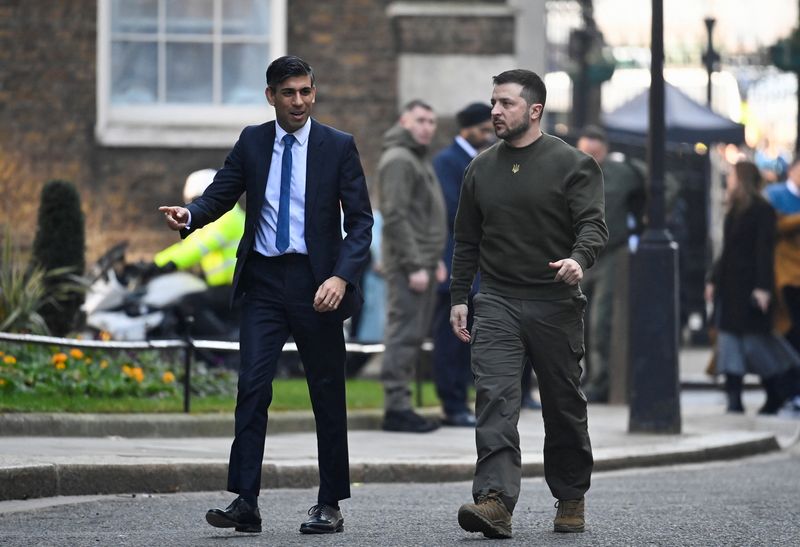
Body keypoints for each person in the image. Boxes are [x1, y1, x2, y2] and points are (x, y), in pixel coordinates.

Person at [158, 55, 373, 535]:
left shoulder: (337, 146)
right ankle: (245, 501)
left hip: (319, 285)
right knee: (252, 387)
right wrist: (190, 217)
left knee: (326, 394)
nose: (299, 101)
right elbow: (221, 193)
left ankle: (330, 504)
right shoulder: (253, 141)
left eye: (306, 91)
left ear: (314, 93)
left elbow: (360, 223)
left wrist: (340, 278)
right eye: (289, 92)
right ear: (270, 96)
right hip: (263, 284)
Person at [450, 69, 607, 538]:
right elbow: (466, 240)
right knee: (495, 397)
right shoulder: (479, 167)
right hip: (496, 299)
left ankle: (571, 495)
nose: (495, 111)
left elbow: (593, 226)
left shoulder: (573, 165)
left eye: (506, 104)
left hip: (555, 301)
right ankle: (495, 501)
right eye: (493, 102)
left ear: (534, 110)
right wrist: (461, 296)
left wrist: (579, 260)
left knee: (562, 406)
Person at [376, 99, 448, 433]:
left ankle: (403, 405)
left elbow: (422, 216)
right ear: (404, 121)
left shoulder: (417, 158)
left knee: (414, 335)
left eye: (431, 121)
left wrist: (433, 262)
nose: (426, 127)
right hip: (408, 266)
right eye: (420, 120)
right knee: (403, 334)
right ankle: (396, 408)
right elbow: (395, 216)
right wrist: (416, 264)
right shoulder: (399, 159)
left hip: (423, 263)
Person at [706, 161, 797, 414]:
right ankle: (734, 400)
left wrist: (763, 288)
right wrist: (713, 279)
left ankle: (777, 392)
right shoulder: (734, 210)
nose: (729, 181)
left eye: (733, 176)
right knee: (730, 344)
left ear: (742, 179)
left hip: (749, 287)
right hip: (730, 287)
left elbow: (764, 252)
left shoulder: (762, 210)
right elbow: (726, 251)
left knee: (756, 344)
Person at [431, 102, 494, 427]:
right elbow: (455, 209)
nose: (488, 133)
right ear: (467, 127)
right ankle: (451, 403)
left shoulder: (480, 159)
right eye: (482, 128)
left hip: (477, 264)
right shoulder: (447, 161)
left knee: (469, 339)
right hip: (454, 261)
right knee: (450, 337)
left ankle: (462, 400)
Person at [575, 125, 646, 402]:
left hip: (610, 253)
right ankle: (586, 376)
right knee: (579, 321)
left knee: (600, 320)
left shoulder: (622, 172)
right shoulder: (570, 171)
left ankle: (600, 380)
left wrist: (646, 221)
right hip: (579, 254)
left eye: (595, 152)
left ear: (604, 150)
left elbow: (663, 186)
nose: (590, 157)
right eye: (585, 152)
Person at [154, 169, 245, 341]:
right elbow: (187, 246)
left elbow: (199, 247)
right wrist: (154, 262)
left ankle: (223, 346)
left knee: (189, 303)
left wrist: (160, 264)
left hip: (237, 287)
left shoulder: (229, 216)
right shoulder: (211, 221)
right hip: (224, 287)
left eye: (199, 201)